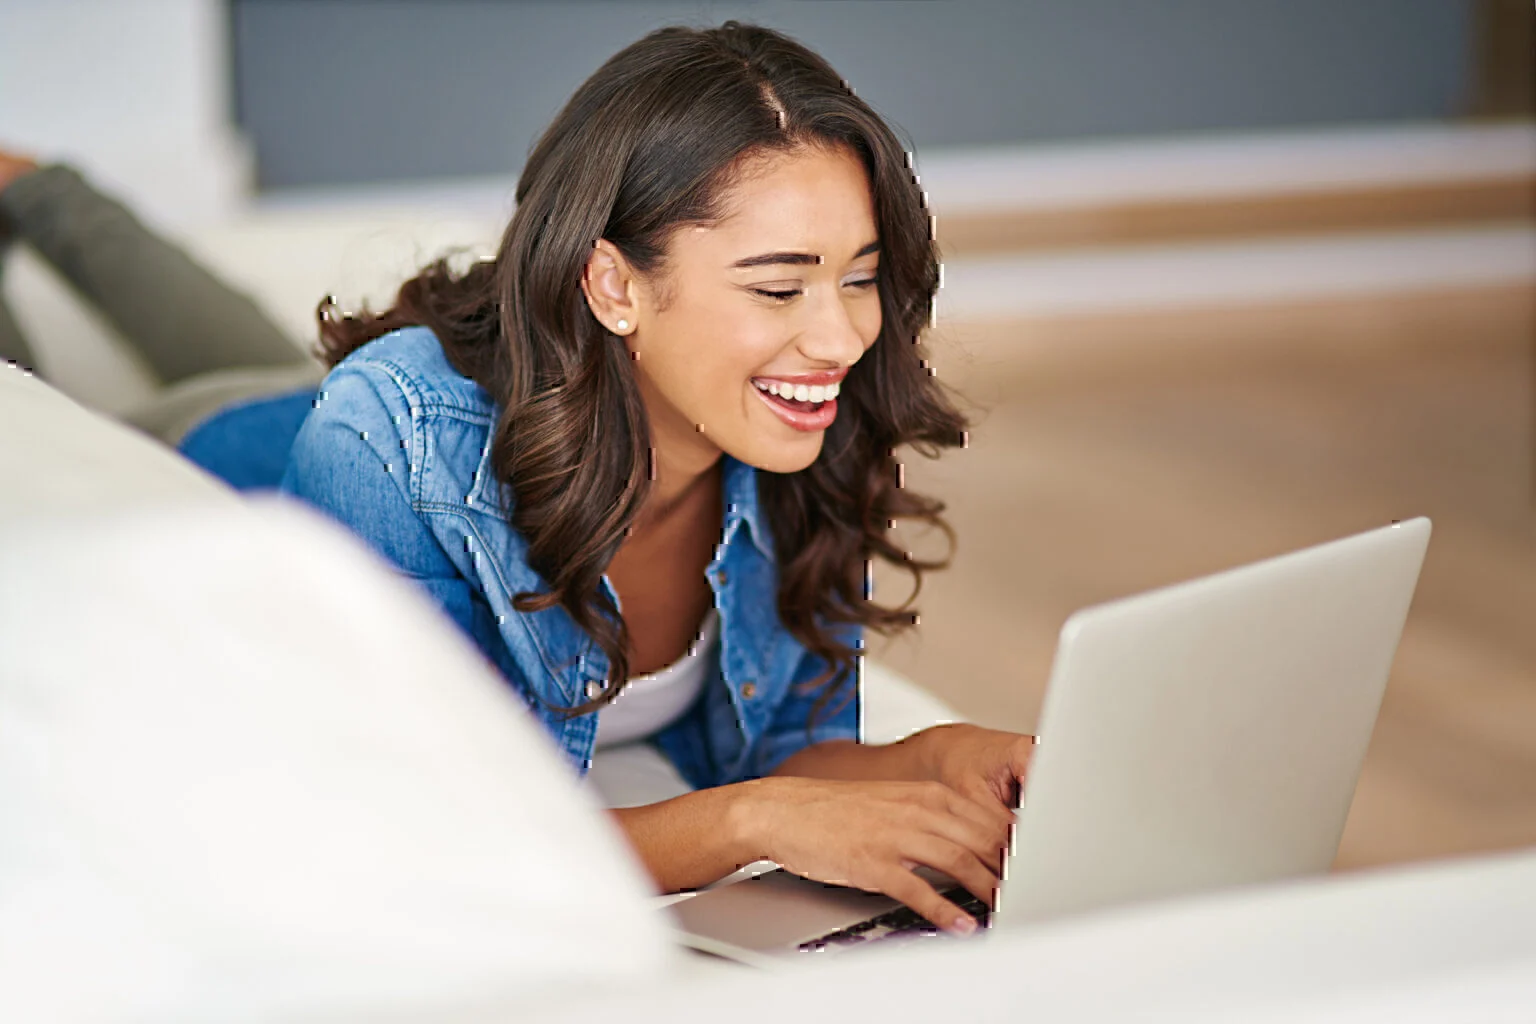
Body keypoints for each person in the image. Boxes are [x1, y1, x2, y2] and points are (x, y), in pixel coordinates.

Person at [1, 22, 1036, 936]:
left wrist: (938, 758)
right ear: (614, 284)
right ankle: (30, 186)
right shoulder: (395, 440)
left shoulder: (784, 419)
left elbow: (785, 748)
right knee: (87, 367)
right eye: (780, 285)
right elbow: (418, 841)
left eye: (860, 276)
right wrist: (747, 820)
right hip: (224, 453)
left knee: (246, 338)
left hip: (425, 392)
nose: (845, 333)